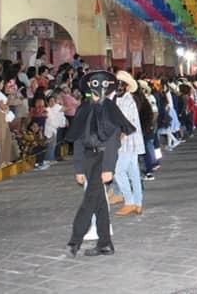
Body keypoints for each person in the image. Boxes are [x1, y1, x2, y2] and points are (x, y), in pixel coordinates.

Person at [66, 71, 135, 257]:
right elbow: (79, 139)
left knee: (90, 199)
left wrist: (108, 168)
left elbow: (113, 140)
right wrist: (79, 168)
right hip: (88, 158)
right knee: (99, 202)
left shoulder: (111, 109)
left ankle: (75, 239)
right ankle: (105, 243)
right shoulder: (84, 108)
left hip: (103, 159)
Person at [113, 71, 145, 216]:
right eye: (117, 83)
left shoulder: (127, 100)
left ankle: (129, 201)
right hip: (129, 140)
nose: (119, 86)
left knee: (119, 172)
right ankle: (138, 203)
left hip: (127, 140)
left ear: (126, 86)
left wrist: (119, 136)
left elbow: (126, 122)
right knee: (133, 172)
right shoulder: (118, 99)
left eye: (121, 84)